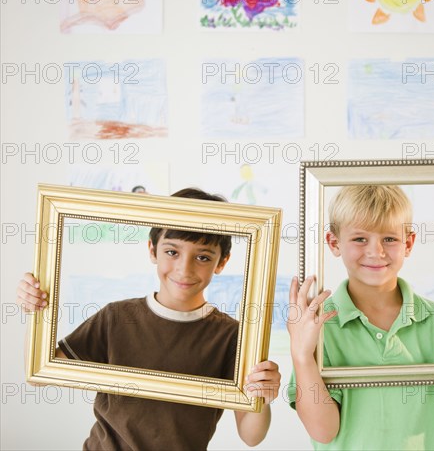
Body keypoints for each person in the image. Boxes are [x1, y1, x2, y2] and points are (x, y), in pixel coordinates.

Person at [17, 187, 280, 451]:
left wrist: (263, 396)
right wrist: (35, 309)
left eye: (202, 257)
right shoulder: (115, 318)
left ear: (222, 262)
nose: (184, 269)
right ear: (152, 250)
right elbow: (38, 375)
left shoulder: (232, 336)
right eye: (172, 252)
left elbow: (251, 436)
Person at [287, 184, 434, 450]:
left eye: (389, 239)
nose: (376, 252)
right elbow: (323, 431)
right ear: (334, 242)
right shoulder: (320, 329)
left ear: (408, 243)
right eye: (360, 239)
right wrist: (302, 355)